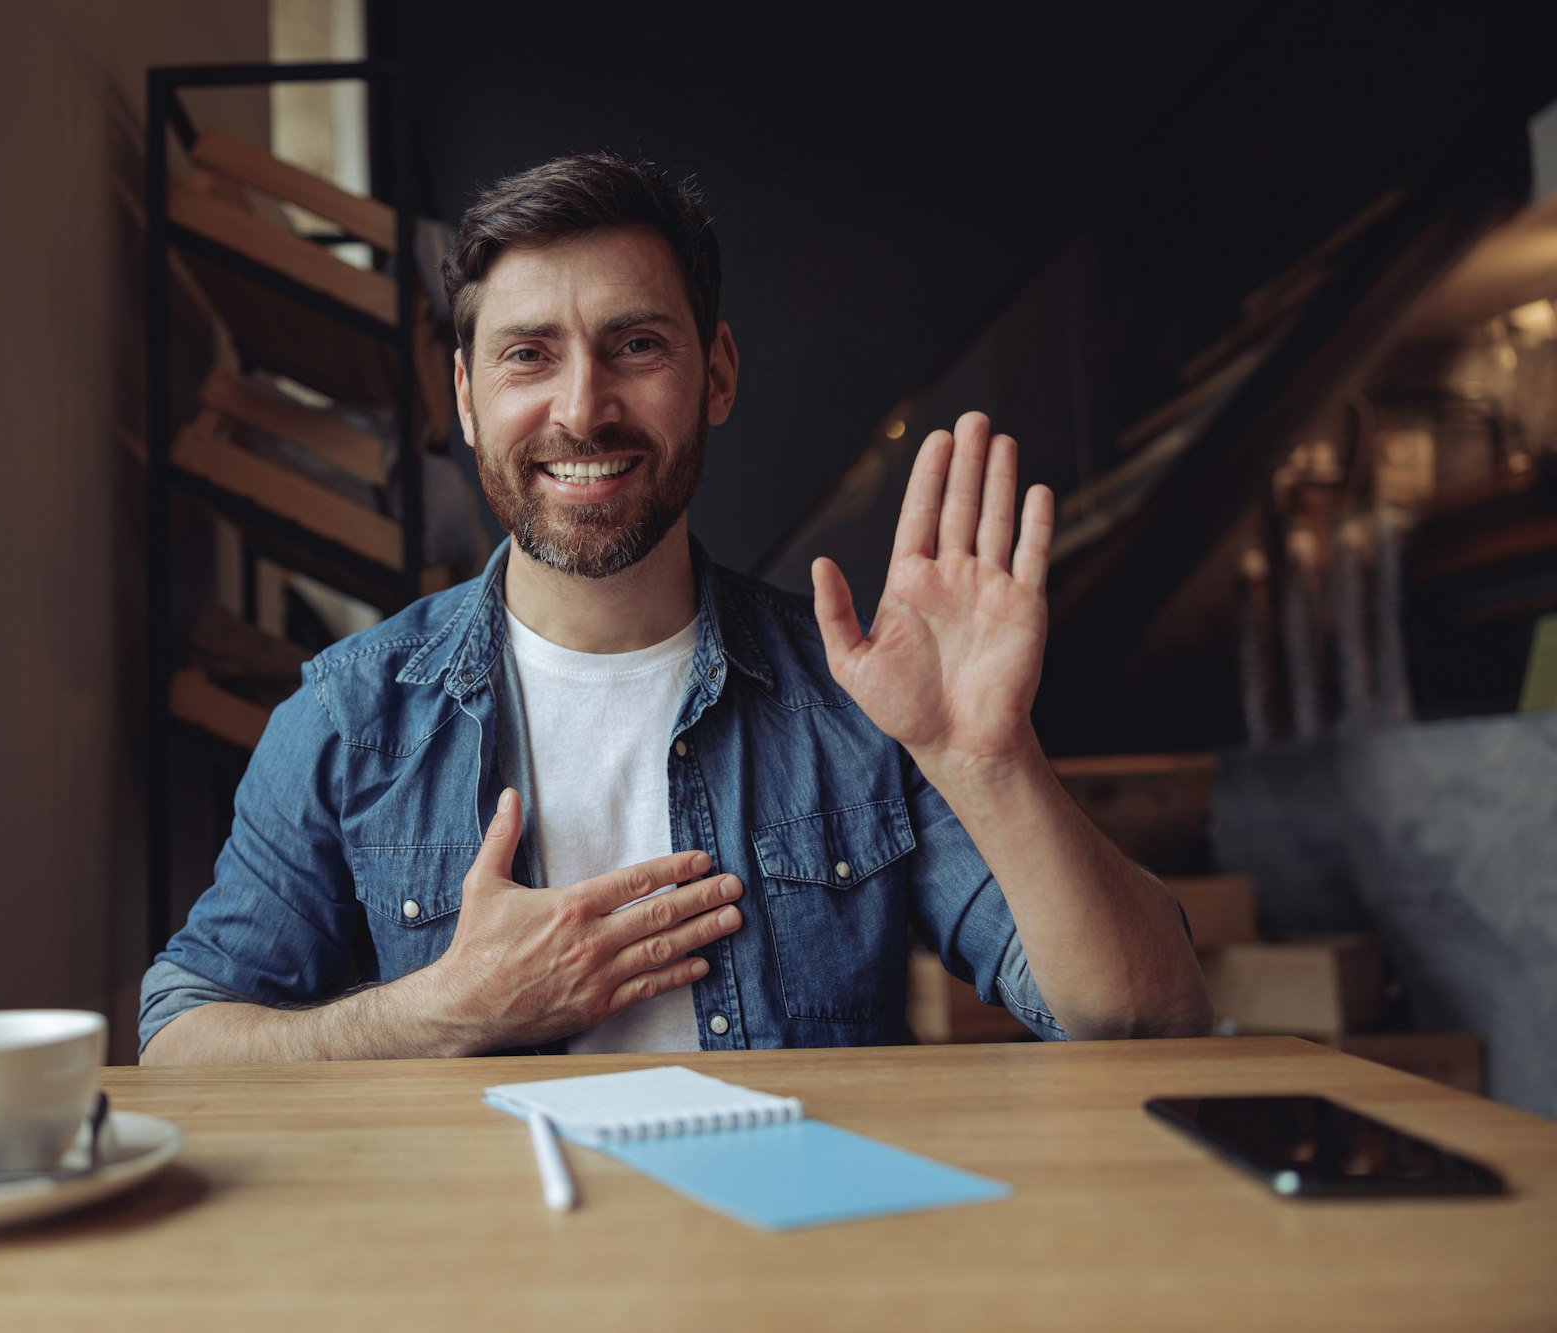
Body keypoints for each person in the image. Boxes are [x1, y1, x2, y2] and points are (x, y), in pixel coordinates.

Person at [139, 153, 1212, 1063]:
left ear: (717, 374)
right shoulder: (348, 714)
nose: (580, 408)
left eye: (636, 344)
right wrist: (440, 1009)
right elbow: (180, 1040)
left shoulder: (860, 703)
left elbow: (1145, 1013)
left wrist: (989, 761)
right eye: (527, 356)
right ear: (465, 401)